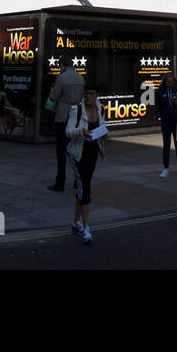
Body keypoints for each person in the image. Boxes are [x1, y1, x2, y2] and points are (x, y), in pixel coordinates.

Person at [66, 85, 106, 244]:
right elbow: (67, 131)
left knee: (84, 185)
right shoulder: (77, 110)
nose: (88, 97)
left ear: (97, 95)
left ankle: (76, 223)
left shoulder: (101, 109)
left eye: (91, 94)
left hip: (92, 153)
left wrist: (104, 131)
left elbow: (102, 127)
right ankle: (87, 227)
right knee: (85, 188)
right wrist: (80, 132)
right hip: (77, 154)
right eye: (86, 94)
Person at [47, 58, 86, 192]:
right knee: (76, 148)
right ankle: (77, 179)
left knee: (61, 148)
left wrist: (50, 99)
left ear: (62, 65)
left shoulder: (61, 78)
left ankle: (60, 181)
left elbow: (55, 96)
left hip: (64, 114)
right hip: (76, 114)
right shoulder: (80, 77)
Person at [155, 72, 177, 178]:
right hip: (166, 121)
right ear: (165, 82)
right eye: (168, 82)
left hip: (176, 121)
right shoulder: (161, 91)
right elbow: (158, 105)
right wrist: (161, 116)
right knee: (166, 145)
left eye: (171, 82)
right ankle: (165, 168)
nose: (170, 84)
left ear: (174, 82)